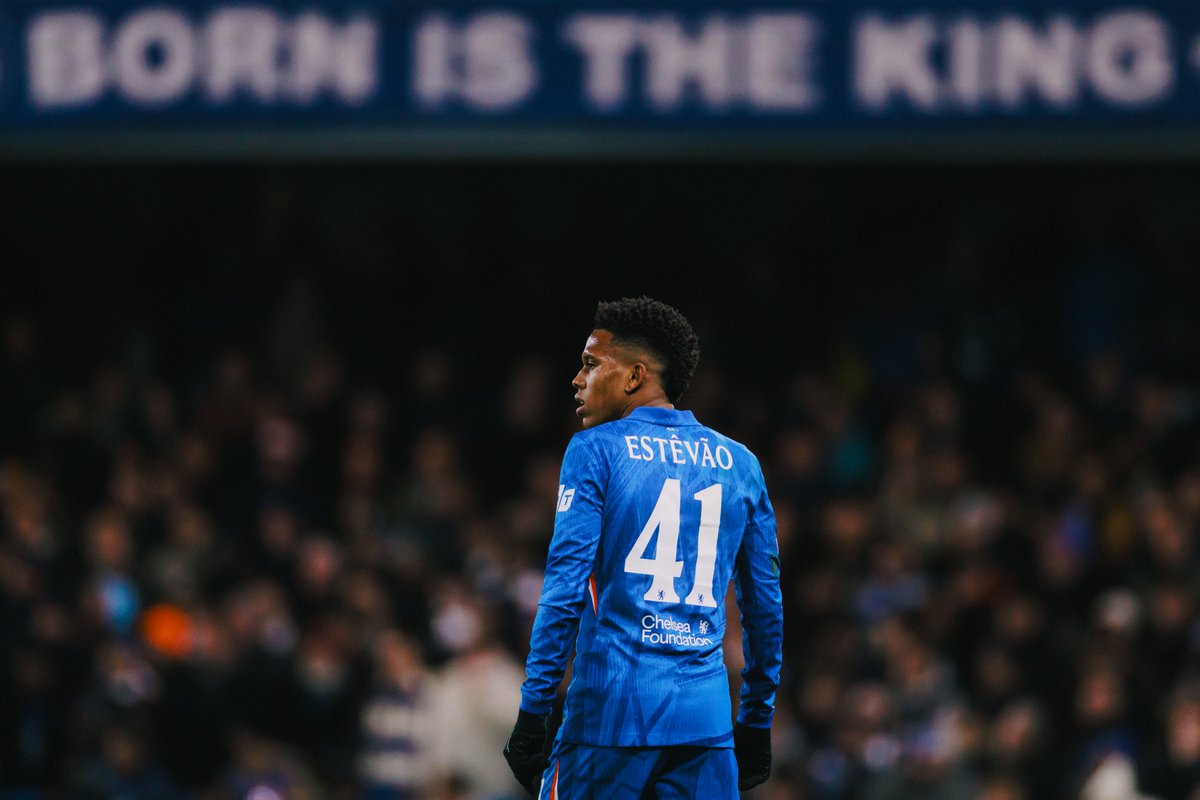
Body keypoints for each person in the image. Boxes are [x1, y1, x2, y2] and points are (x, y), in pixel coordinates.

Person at [504, 297, 784, 798]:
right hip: (707, 727)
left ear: (634, 377)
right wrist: (757, 719)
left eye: (590, 363)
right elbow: (764, 607)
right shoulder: (742, 464)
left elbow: (565, 588)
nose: (577, 378)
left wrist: (535, 708)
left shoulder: (595, 450)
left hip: (611, 718)